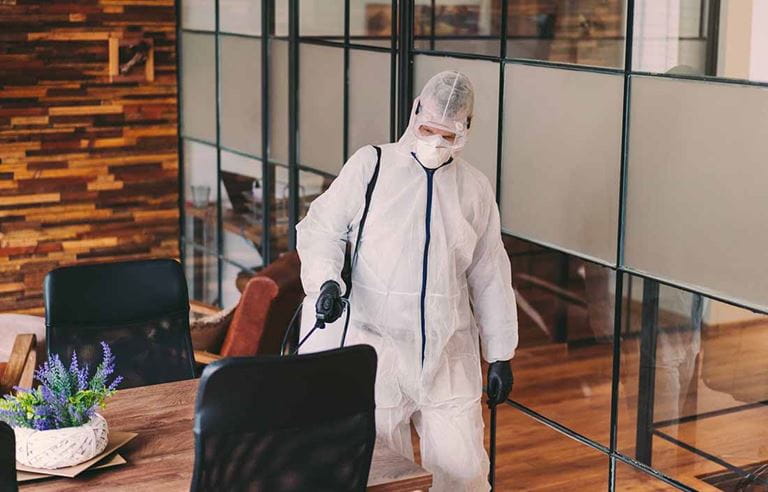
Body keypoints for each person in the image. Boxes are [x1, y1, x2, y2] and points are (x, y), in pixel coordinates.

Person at [296, 70, 519, 491]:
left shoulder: (474, 189)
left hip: (448, 353)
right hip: (376, 349)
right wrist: (326, 280)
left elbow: (489, 271)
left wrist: (501, 353)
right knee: (381, 472)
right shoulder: (372, 166)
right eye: (428, 129)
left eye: (448, 135)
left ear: (466, 130)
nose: (436, 142)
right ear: (415, 113)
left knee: (465, 472)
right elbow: (322, 228)